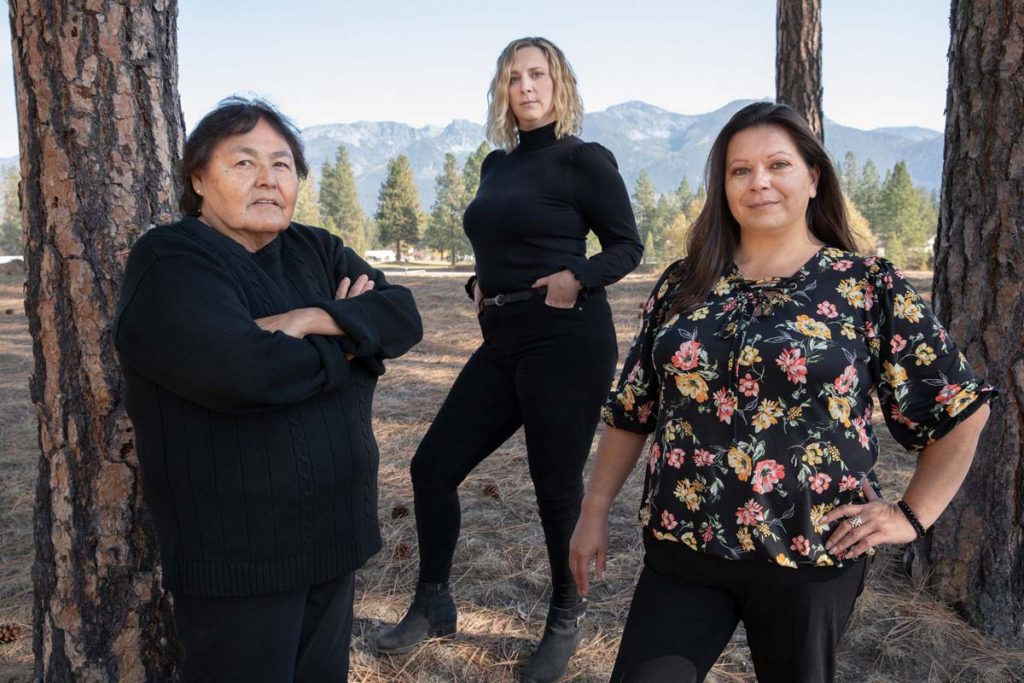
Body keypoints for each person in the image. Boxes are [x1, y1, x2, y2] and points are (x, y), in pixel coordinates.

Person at [569, 102, 996, 682]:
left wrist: (911, 516)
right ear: (722, 187)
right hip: (683, 549)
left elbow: (959, 406)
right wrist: (593, 510)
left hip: (809, 556)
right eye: (739, 170)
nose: (759, 182)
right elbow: (633, 410)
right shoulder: (683, 284)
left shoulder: (865, 287)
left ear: (813, 177)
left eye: (777, 164)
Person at [114, 97, 422, 682]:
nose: (267, 180)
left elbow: (402, 317)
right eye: (243, 163)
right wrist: (355, 342)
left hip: (334, 534)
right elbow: (245, 372)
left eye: (282, 165)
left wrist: (307, 319)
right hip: (239, 556)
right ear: (198, 179)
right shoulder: (171, 262)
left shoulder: (316, 248)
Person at [376, 36, 642, 682]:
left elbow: (627, 246)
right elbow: (500, 242)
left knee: (555, 488)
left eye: (537, 75)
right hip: (503, 337)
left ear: (559, 86)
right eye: (513, 76)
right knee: (432, 465)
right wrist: (478, 283)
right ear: (502, 89)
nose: (525, 86)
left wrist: (576, 276)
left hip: (567, 337)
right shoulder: (496, 166)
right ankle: (434, 599)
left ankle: (564, 619)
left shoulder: (584, 159)